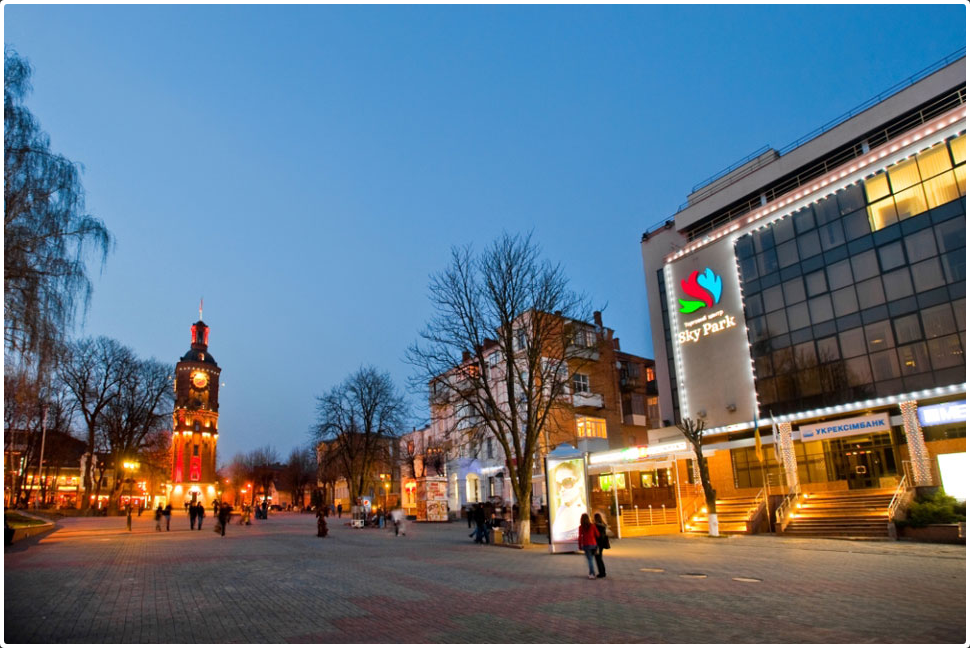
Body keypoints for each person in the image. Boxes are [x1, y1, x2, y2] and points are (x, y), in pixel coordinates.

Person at [551, 461, 587, 543]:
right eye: (558, 485)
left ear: (579, 481)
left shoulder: (583, 512)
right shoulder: (560, 510)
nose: (562, 489)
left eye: (567, 482)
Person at [577, 513, 600, 580]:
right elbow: (598, 534)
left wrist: (579, 545)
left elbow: (580, 537)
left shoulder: (581, 527)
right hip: (593, 545)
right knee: (591, 559)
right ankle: (591, 573)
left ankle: (592, 574)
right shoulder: (592, 526)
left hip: (586, 545)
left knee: (590, 560)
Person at [593, 513, 610, 578]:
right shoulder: (603, 525)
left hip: (597, 544)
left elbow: (596, 535)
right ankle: (603, 572)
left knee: (598, 558)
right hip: (602, 544)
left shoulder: (596, 526)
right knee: (600, 558)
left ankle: (601, 573)